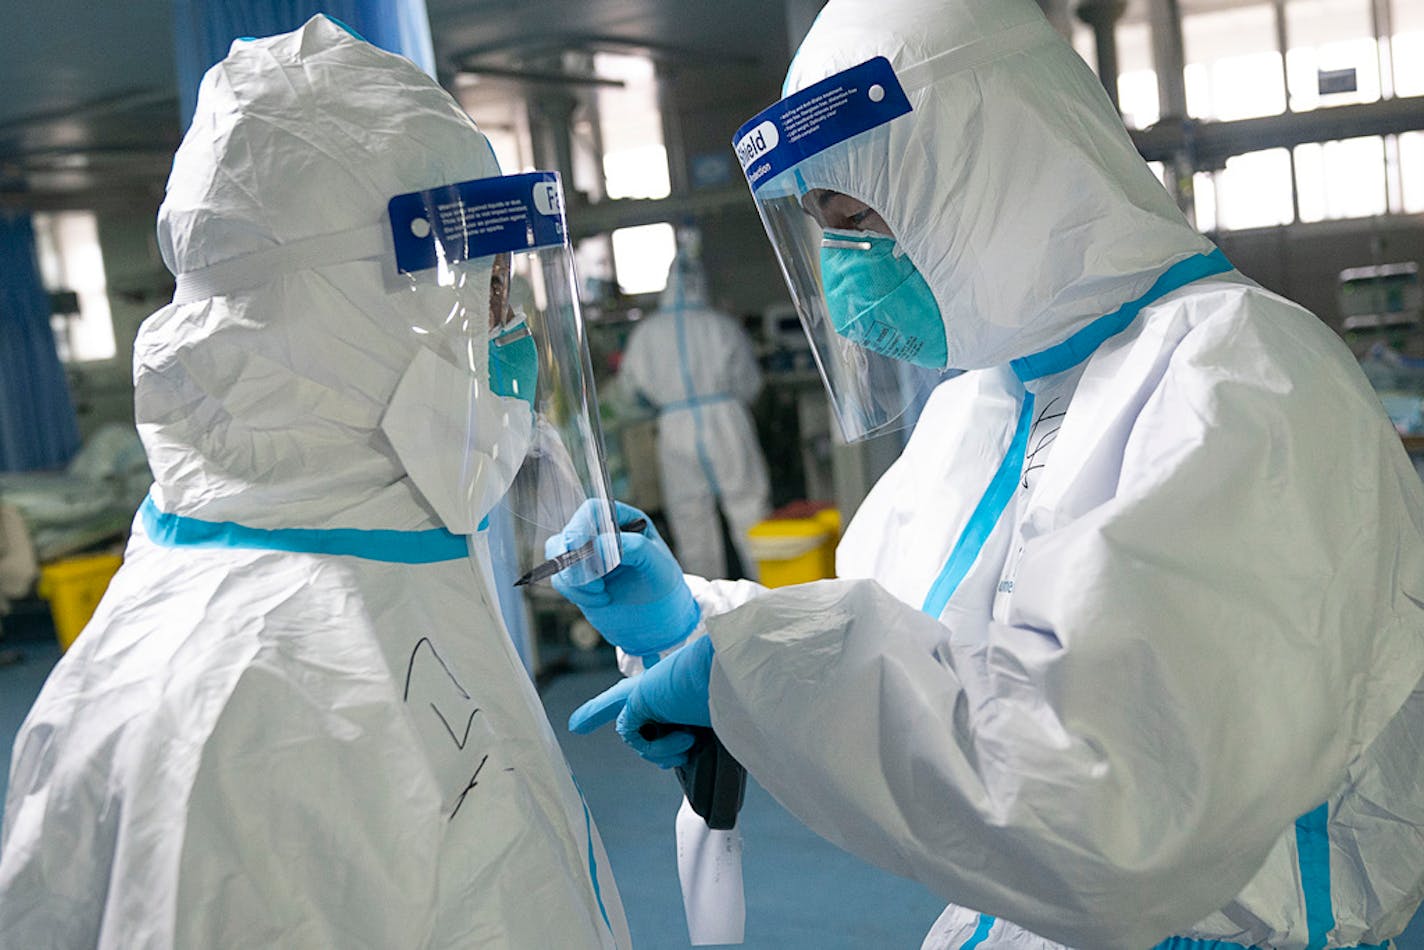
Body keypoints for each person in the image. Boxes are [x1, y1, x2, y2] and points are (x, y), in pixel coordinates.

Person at [557, 1, 1424, 948]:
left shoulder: (1241, 381)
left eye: (857, 220)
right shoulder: (986, 403)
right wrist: (699, 622)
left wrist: (750, 671)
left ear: (989, 177)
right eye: (825, 231)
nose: (846, 271)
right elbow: (910, 641)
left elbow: (1109, 813)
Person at [0, 17, 629, 949]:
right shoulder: (244, 729)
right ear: (368, 316)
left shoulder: (353, 561)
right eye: (490, 292)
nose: (511, 332)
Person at [619, 249, 770, 579]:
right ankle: (769, 592)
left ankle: (707, 607)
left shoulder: (646, 333)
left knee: (691, 521)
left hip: (674, 426)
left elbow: (631, 390)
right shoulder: (721, 325)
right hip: (726, 419)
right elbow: (749, 381)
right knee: (750, 509)